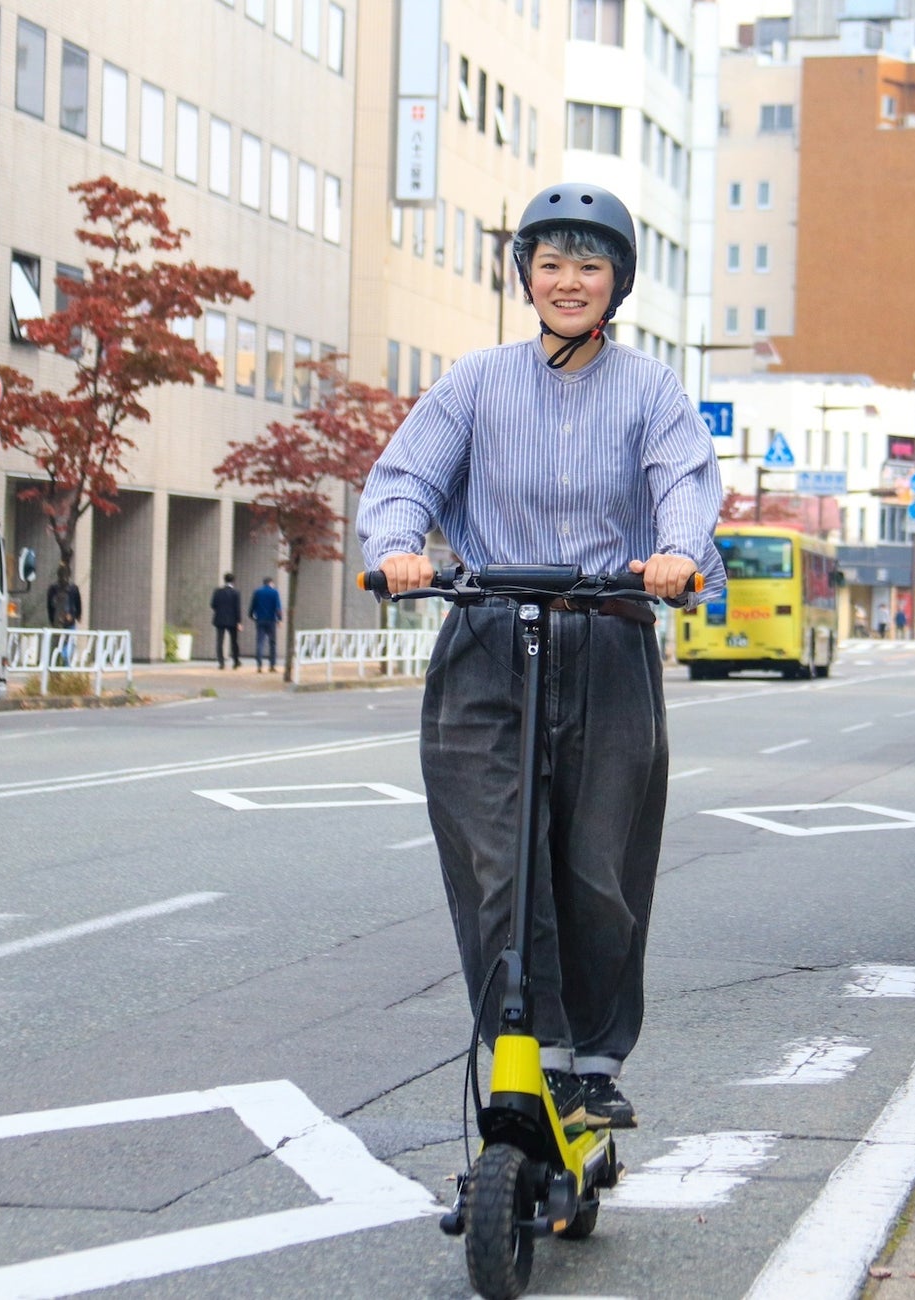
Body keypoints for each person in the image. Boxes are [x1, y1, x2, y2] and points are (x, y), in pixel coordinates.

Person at [358, 182, 726, 1133]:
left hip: (607, 637)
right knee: (497, 864)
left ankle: (594, 1062)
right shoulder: (477, 382)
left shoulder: (651, 391)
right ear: (525, 274)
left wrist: (679, 556)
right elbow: (404, 477)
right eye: (551, 262)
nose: (569, 281)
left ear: (618, 282)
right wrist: (399, 547)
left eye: (589, 264)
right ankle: (532, 1052)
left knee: (597, 868)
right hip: (486, 639)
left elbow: (684, 484)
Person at [248, 575, 283, 672]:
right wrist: (280, 619)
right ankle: (272, 665)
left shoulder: (257, 592)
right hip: (271, 620)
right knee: (272, 643)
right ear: (271, 583)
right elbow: (278, 607)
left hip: (260, 620)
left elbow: (253, 605)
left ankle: (259, 665)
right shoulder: (275, 592)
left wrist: (251, 615)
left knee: (260, 642)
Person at [210, 573, 244, 669]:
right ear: (233, 581)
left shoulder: (217, 591)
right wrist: (239, 622)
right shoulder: (236, 592)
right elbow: (237, 608)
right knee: (234, 641)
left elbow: (213, 604)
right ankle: (236, 661)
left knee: (220, 641)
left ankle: (221, 662)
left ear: (224, 580)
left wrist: (219, 611)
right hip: (233, 620)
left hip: (219, 619)